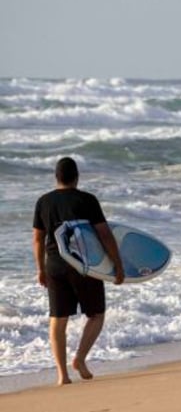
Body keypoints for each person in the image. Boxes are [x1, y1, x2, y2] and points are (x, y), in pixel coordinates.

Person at [32, 157, 125, 385]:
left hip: (55, 265)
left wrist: (40, 269)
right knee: (96, 315)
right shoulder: (87, 200)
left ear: (56, 177)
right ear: (77, 177)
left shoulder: (43, 202)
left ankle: (62, 375)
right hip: (84, 266)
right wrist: (118, 264)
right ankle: (80, 359)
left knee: (58, 319)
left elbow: (37, 239)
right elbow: (104, 234)